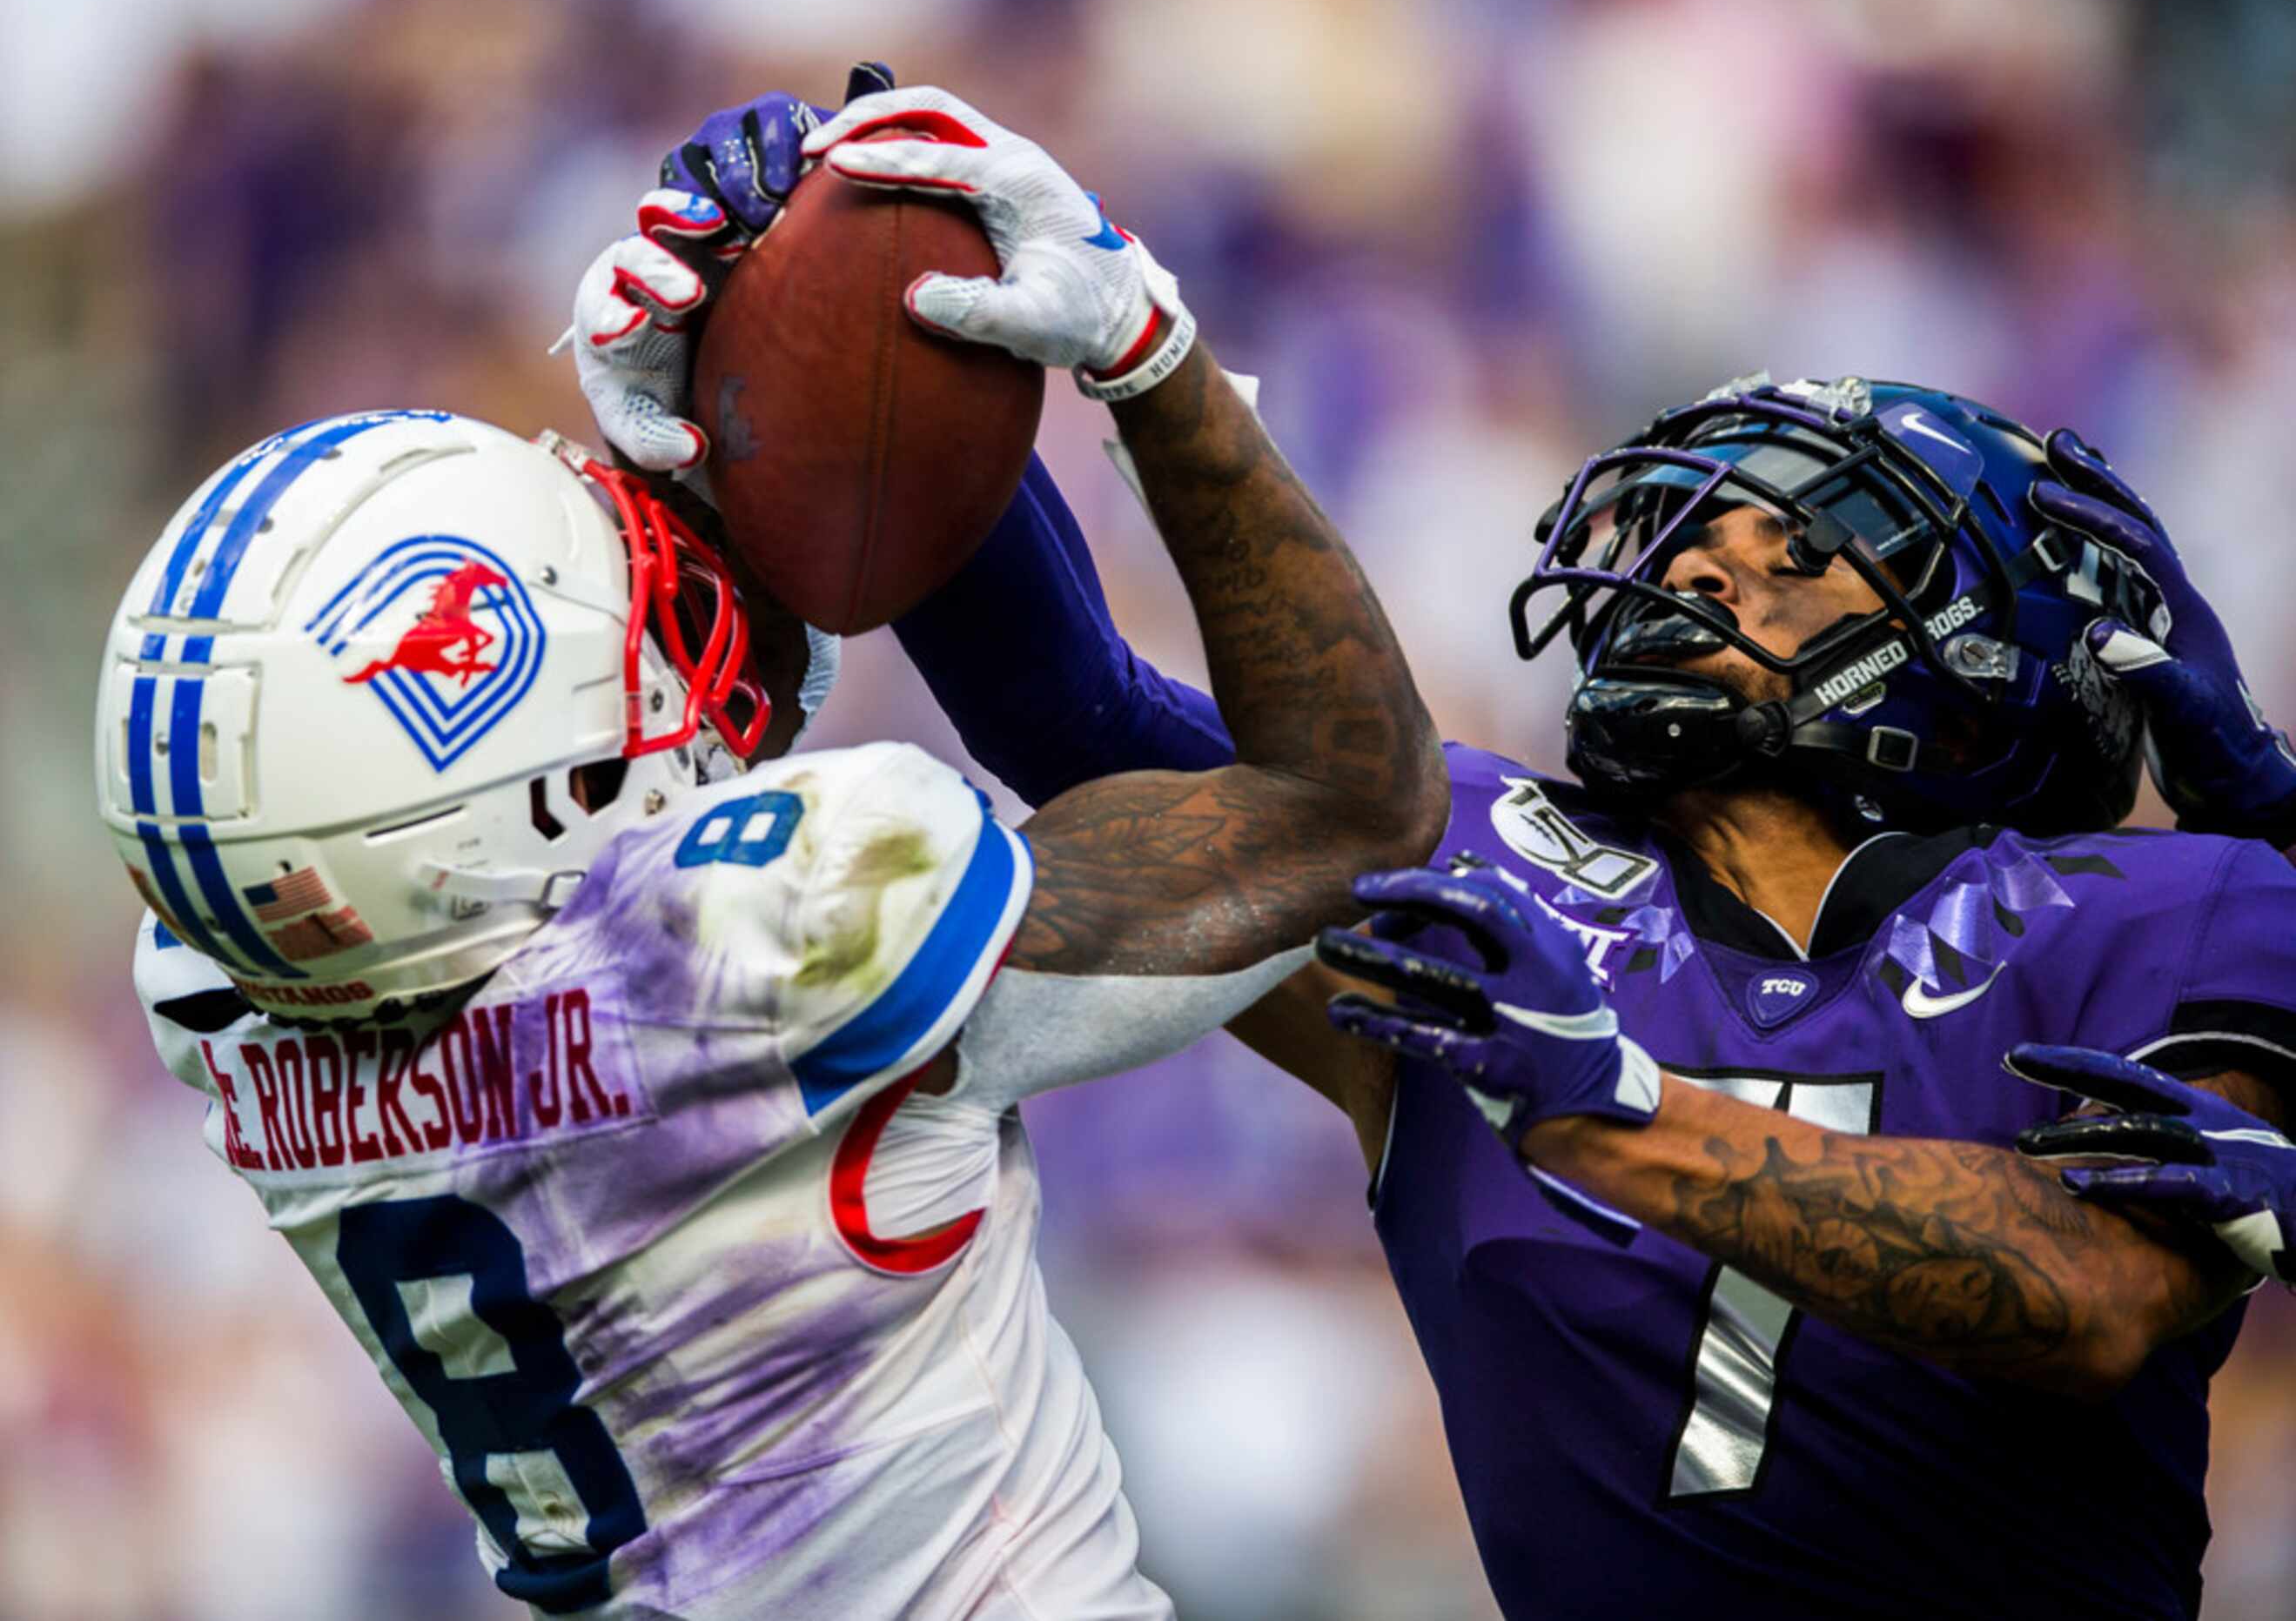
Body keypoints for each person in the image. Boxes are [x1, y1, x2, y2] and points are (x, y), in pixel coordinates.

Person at [579, 84, 2296, 1614]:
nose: (1698, 571)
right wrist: (865, 292)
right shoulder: (1485, 862)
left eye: (1796, 553)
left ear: (1976, 647)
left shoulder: (2166, 898)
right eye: (1689, 532)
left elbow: (2088, 1286)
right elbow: (1074, 714)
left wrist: (1613, 1111)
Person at [98, 86, 1447, 1621]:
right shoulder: (764, 940)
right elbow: (1353, 810)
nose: (637, 561)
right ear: (514, 814)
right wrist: (1145, 348)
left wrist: (749, 391)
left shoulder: (223, 987)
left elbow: (556, 836)